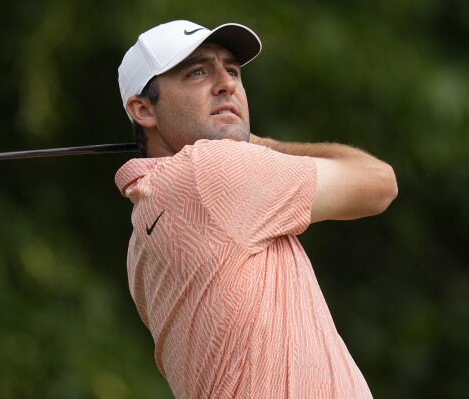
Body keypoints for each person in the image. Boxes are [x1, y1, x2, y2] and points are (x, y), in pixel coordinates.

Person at [115, 20, 398, 399]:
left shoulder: (140, 245)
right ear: (143, 110)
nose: (226, 83)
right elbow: (379, 182)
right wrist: (267, 146)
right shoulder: (212, 171)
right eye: (197, 72)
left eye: (231, 70)